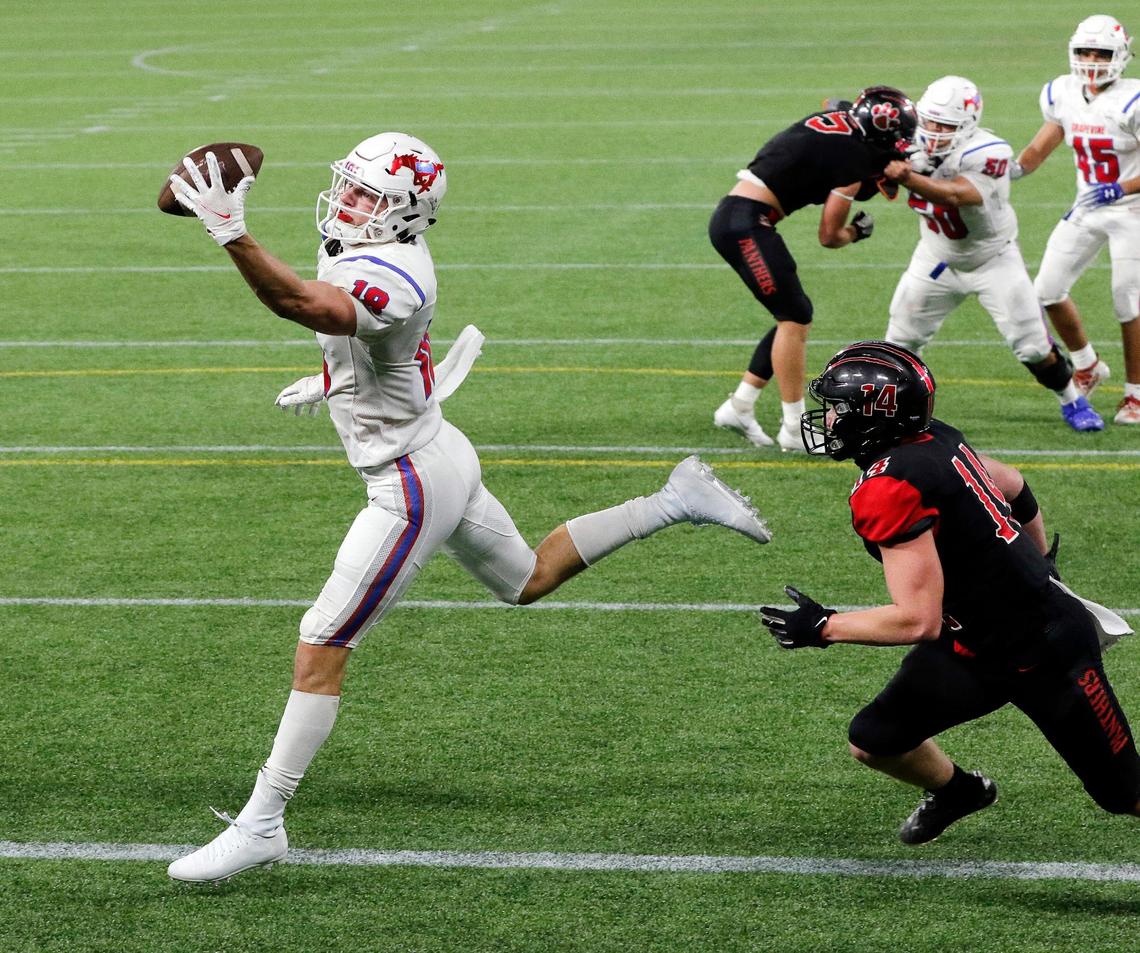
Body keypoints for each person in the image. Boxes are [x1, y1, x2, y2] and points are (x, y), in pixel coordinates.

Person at [163, 133, 773, 882]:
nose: (348, 203)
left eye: (368, 196)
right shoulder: (365, 241)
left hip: (410, 482)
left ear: (409, 213)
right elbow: (386, 354)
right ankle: (675, 498)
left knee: (323, 639)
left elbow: (302, 302)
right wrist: (330, 383)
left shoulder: (399, 272)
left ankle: (264, 819)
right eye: (347, 185)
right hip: (438, 446)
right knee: (526, 579)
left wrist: (232, 232)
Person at [760, 341, 1139, 844]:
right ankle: (960, 791)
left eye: (839, 408)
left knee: (1125, 792)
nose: (828, 420)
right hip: (974, 642)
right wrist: (1043, 563)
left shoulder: (889, 488)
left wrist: (824, 627)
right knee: (875, 740)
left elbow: (918, 621)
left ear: (877, 416)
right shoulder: (933, 438)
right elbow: (1014, 485)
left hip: (1044, 650)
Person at [882, 76, 1103, 432]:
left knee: (1033, 348)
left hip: (993, 260)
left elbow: (957, 195)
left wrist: (907, 177)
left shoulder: (988, 152)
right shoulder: (909, 142)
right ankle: (900, 411)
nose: (935, 132)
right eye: (931, 122)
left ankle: (1072, 398)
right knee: (900, 342)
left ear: (968, 125)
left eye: (946, 125)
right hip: (937, 258)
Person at [710, 86, 918, 451]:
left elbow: (836, 105)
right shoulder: (853, 160)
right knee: (794, 317)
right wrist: (858, 231)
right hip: (744, 222)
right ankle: (793, 430)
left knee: (792, 313)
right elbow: (829, 235)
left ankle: (740, 405)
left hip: (741, 215)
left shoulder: (847, 124)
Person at [1012, 14, 1140, 426]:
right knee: (1047, 289)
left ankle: (1136, 396)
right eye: (1084, 51)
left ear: (1120, 56)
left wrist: (1123, 188)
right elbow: (1040, 146)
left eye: (1100, 53)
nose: (1091, 60)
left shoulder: (1133, 99)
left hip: (1132, 208)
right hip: (1088, 205)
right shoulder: (1062, 92)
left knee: (1127, 298)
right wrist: (1006, 170)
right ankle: (1087, 365)